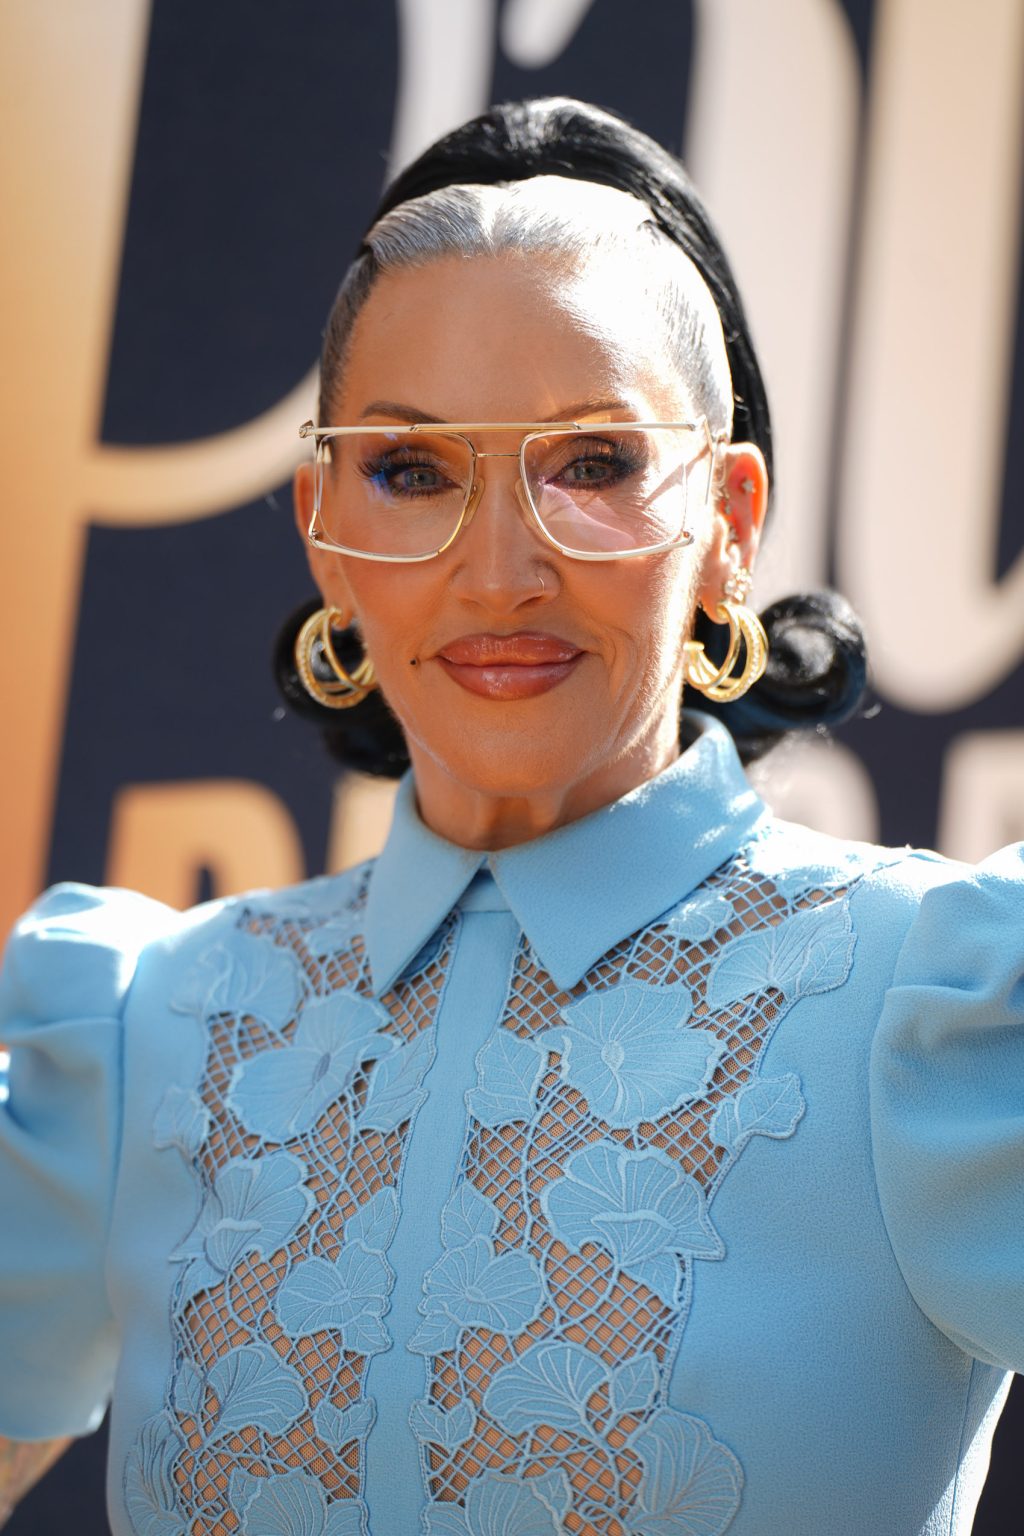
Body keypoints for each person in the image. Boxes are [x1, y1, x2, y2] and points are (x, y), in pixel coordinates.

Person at [0, 96, 1021, 1536]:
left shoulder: (939, 1008)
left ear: (728, 521)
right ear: (323, 527)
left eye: (593, 463)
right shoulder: (140, 1026)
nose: (498, 572)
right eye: (411, 471)